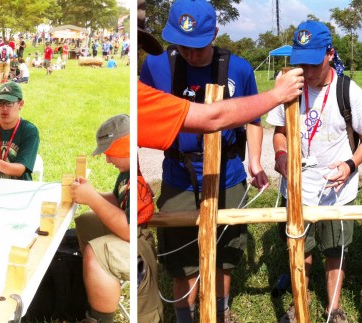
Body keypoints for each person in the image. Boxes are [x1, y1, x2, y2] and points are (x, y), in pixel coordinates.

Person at [140, 0, 270, 321]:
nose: (190, 54)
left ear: (214, 32)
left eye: (197, 46)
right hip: (179, 175)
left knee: (226, 252)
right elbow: (139, 118)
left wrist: (254, 161)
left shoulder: (238, 69)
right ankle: (186, 315)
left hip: (226, 173)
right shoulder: (156, 66)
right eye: (181, 45)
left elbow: (254, 119)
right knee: (182, 257)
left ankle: (220, 311)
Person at [266, 20, 362, 323]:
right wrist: (281, 154)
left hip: (336, 191)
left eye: (313, 63)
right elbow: (279, 131)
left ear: (329, 54)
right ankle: (302, 298)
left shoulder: (348, 91)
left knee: (335, 249)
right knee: (300, 245)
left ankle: (333, 307)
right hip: (297, 188)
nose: (307, 71)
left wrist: (350, 165)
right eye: (300, 63)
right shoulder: (290, 87)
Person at [70, 114, 130, 323]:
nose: (107, 159)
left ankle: (100, 319)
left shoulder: (135, 176)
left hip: (140, 245)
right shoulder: (127, 171)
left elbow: (131, 231)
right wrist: (90, 193)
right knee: (86, 222)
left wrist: (93, 199)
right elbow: (118, 199)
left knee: (95, 252)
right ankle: (94, 287)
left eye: (110, 152)